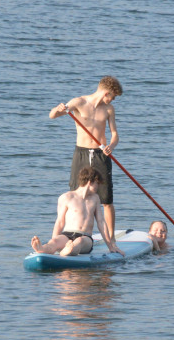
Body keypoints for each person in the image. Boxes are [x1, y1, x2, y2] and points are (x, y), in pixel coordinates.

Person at [49, 76, 122, 242]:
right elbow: (52, 115)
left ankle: (111, 239)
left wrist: (112, 145)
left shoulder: (109, 109)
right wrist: (58, 108)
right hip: (81, 152)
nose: (113, 100)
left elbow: (115, 134)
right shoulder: (79, 102)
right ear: (106, 92)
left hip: (101, 153)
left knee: (106, 199)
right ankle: (69, 235)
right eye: (113, 96)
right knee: (75, 192)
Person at [31, 167, 123, 257]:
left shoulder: (95, 199)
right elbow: (60, 222)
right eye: (97, 183)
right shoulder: (66, 197)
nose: (98, 187)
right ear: (90, 182)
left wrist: (110, 246)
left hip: (85, 237)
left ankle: (66, 251)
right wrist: (54, 240)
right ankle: (42, 248)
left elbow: (101, 223)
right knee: (54, 242)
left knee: (79, 241)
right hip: (66, 235)